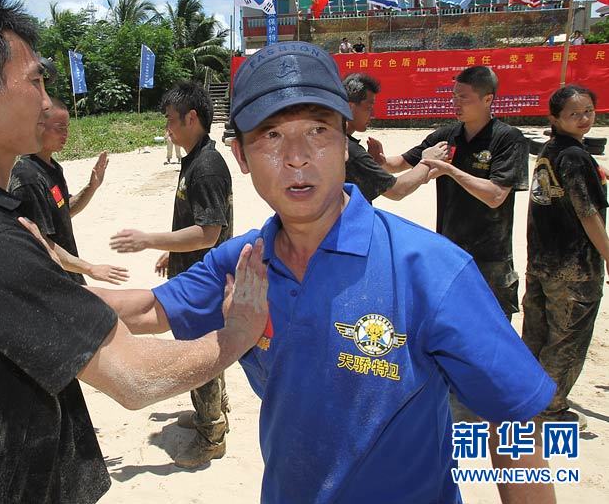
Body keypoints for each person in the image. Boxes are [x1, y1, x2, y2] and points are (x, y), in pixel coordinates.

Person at [92, 42, 555, 504]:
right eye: (271, 135)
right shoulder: (244, 265)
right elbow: (148, 307)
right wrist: (30, 287)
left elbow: (517, 418)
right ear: (241, 155)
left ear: (344, 142)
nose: (297, 156)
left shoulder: (430, 270)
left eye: (318, 130)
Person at [0, 0, 269, 503]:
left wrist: (171, 301)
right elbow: (132, 376)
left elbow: (72, 306)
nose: (47, 103)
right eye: (35, 82)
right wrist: (238, 334)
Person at [110, 81, 234, 468]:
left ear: (191, 118)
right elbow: (193, 220)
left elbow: (209, 232)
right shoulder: (194, 158)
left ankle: (211, 434)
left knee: (198, 357)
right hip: (192, 272)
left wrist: (148, 240)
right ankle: (213, 411)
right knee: (202, 351)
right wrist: (169, 249)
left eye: (169, 119)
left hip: (204, 280)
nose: (167, 127)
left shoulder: (208, 166)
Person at [369, 66, 529, 320]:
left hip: (490, 257)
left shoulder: (508, 139)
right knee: (450, 324)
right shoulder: (447, 135)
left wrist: (449, 170)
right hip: (449, 250)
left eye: (463, 97)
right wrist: (380, 160)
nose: (455, 102)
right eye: (453, 95)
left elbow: (496, 195)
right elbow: (401, 162)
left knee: (490, 328)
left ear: (488, 99)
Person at [524, 85, 607, 426]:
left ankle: (525, 395)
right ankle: (551, 407)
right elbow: (588, 213)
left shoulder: (551, 151)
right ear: (555, 118)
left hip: (543, 260)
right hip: (574, 266)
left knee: (537, 332)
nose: (584, 118)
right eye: (574, 114)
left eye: (588, 111)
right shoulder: (574, 156)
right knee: (567, 337)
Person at [10, 95, 128, 285]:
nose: (66, 135)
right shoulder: (27, 177)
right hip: (49, 279)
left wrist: (92, 186)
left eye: (67, 128)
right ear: (37, 126)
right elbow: (38, 240)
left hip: (68, 272)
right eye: (60, 128)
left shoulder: (52, 168)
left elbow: (64, 211)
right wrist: (89, 268)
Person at [342, 73, 448, 202]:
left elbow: (399, 163)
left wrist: (374, 165)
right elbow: (397, 190)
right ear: (349, 107)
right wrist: (427, 162)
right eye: (369, 107)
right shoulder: (350, 151)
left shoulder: (331, 138)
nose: (373, 114)